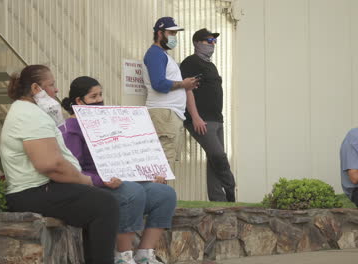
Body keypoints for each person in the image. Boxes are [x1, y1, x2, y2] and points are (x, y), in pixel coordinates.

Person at [0, 65, 119, 264]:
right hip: (31, 192)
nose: (56, 90)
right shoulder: (29, 115)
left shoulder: (29, 111)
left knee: (102, 201)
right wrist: (85, 180)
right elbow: (50, 165)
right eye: (52, 85)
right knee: (106, 205)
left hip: (40, 189)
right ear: (36, 88)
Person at [60, 76, 177, 264]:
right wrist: (100, 180)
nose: (99, 100)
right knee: (133, 192)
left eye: (100, 95)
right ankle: (123, 256)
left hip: (121, 180)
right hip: (95, 186)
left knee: (164, 193)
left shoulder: (109, 121)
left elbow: (128, 154)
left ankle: (144, 254)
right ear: (79, 101)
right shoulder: (70, 130)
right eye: (93, 97)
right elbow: (74, 170)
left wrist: (149, 172)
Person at [179, 28, 236, 202]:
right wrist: (195, 117)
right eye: (208, 41)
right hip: (201, 120)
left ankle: (218, 200)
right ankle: (231, 188)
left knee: (213, 160)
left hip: (217, 119)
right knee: (219, 156)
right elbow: (188, 90)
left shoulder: (210, 64)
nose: (212, 45)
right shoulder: (191, 62)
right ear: (197, 43)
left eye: (214, 41)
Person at [142, 17, 198, 168]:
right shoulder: (155, 54)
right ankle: (161, 192)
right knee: (162, 166)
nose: (174, 37)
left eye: (176, 34)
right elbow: (158, 84)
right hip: (164, 114)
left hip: (169, 114)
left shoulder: (163, 55)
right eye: (171, 33)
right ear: (160, 33)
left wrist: (186, 84)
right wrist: (183, 84)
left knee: (166, 163)